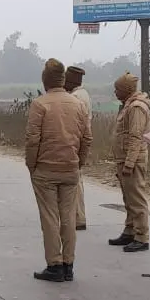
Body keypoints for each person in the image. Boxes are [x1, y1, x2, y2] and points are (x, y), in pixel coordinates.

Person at [25, 59, 92, 282]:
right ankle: (68, 265)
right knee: (68, 218)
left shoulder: (40, 104)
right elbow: (87, 138)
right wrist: (78, 162)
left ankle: (54, 265)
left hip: (45, 170)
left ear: (45, 80)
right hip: (71, 169)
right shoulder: (78, 104)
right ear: (63, 80)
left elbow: (33, 140)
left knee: (50, 218)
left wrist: (31, 165)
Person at [109, 72, 150, 252]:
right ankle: (130, 230)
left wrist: (129, 163)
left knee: (136, 198)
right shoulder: (128, 105)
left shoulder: (136, 108)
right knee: (128, 198)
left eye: (117, 89)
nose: (115, 92)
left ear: (126, 90)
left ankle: (141, 236)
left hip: (132, 160)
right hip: (124, 157)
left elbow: (135, 137)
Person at [64, 66, 92, 231]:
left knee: (74, 181)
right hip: (80, 141)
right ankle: (76, 216)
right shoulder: (83, 94)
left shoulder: (75, 98)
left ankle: (78, 217)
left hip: (76, 142)